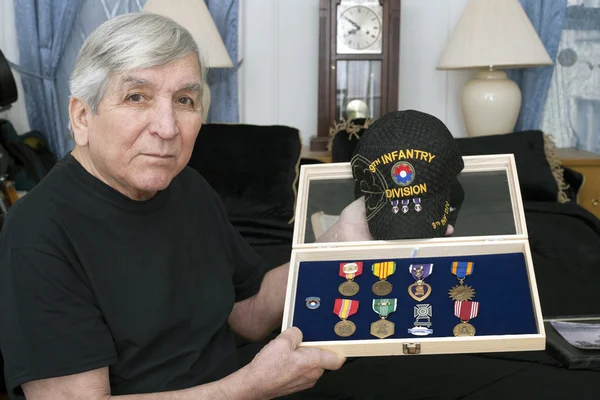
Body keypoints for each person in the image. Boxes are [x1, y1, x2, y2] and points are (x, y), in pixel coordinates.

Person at [0, 12, 355, 400]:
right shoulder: (38, 234)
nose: (167, 128)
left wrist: (338, 241)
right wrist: (251, 386)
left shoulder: (187, 185)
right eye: (137, 97)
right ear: (82, 117)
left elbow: (248, 314)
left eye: (185, 100)